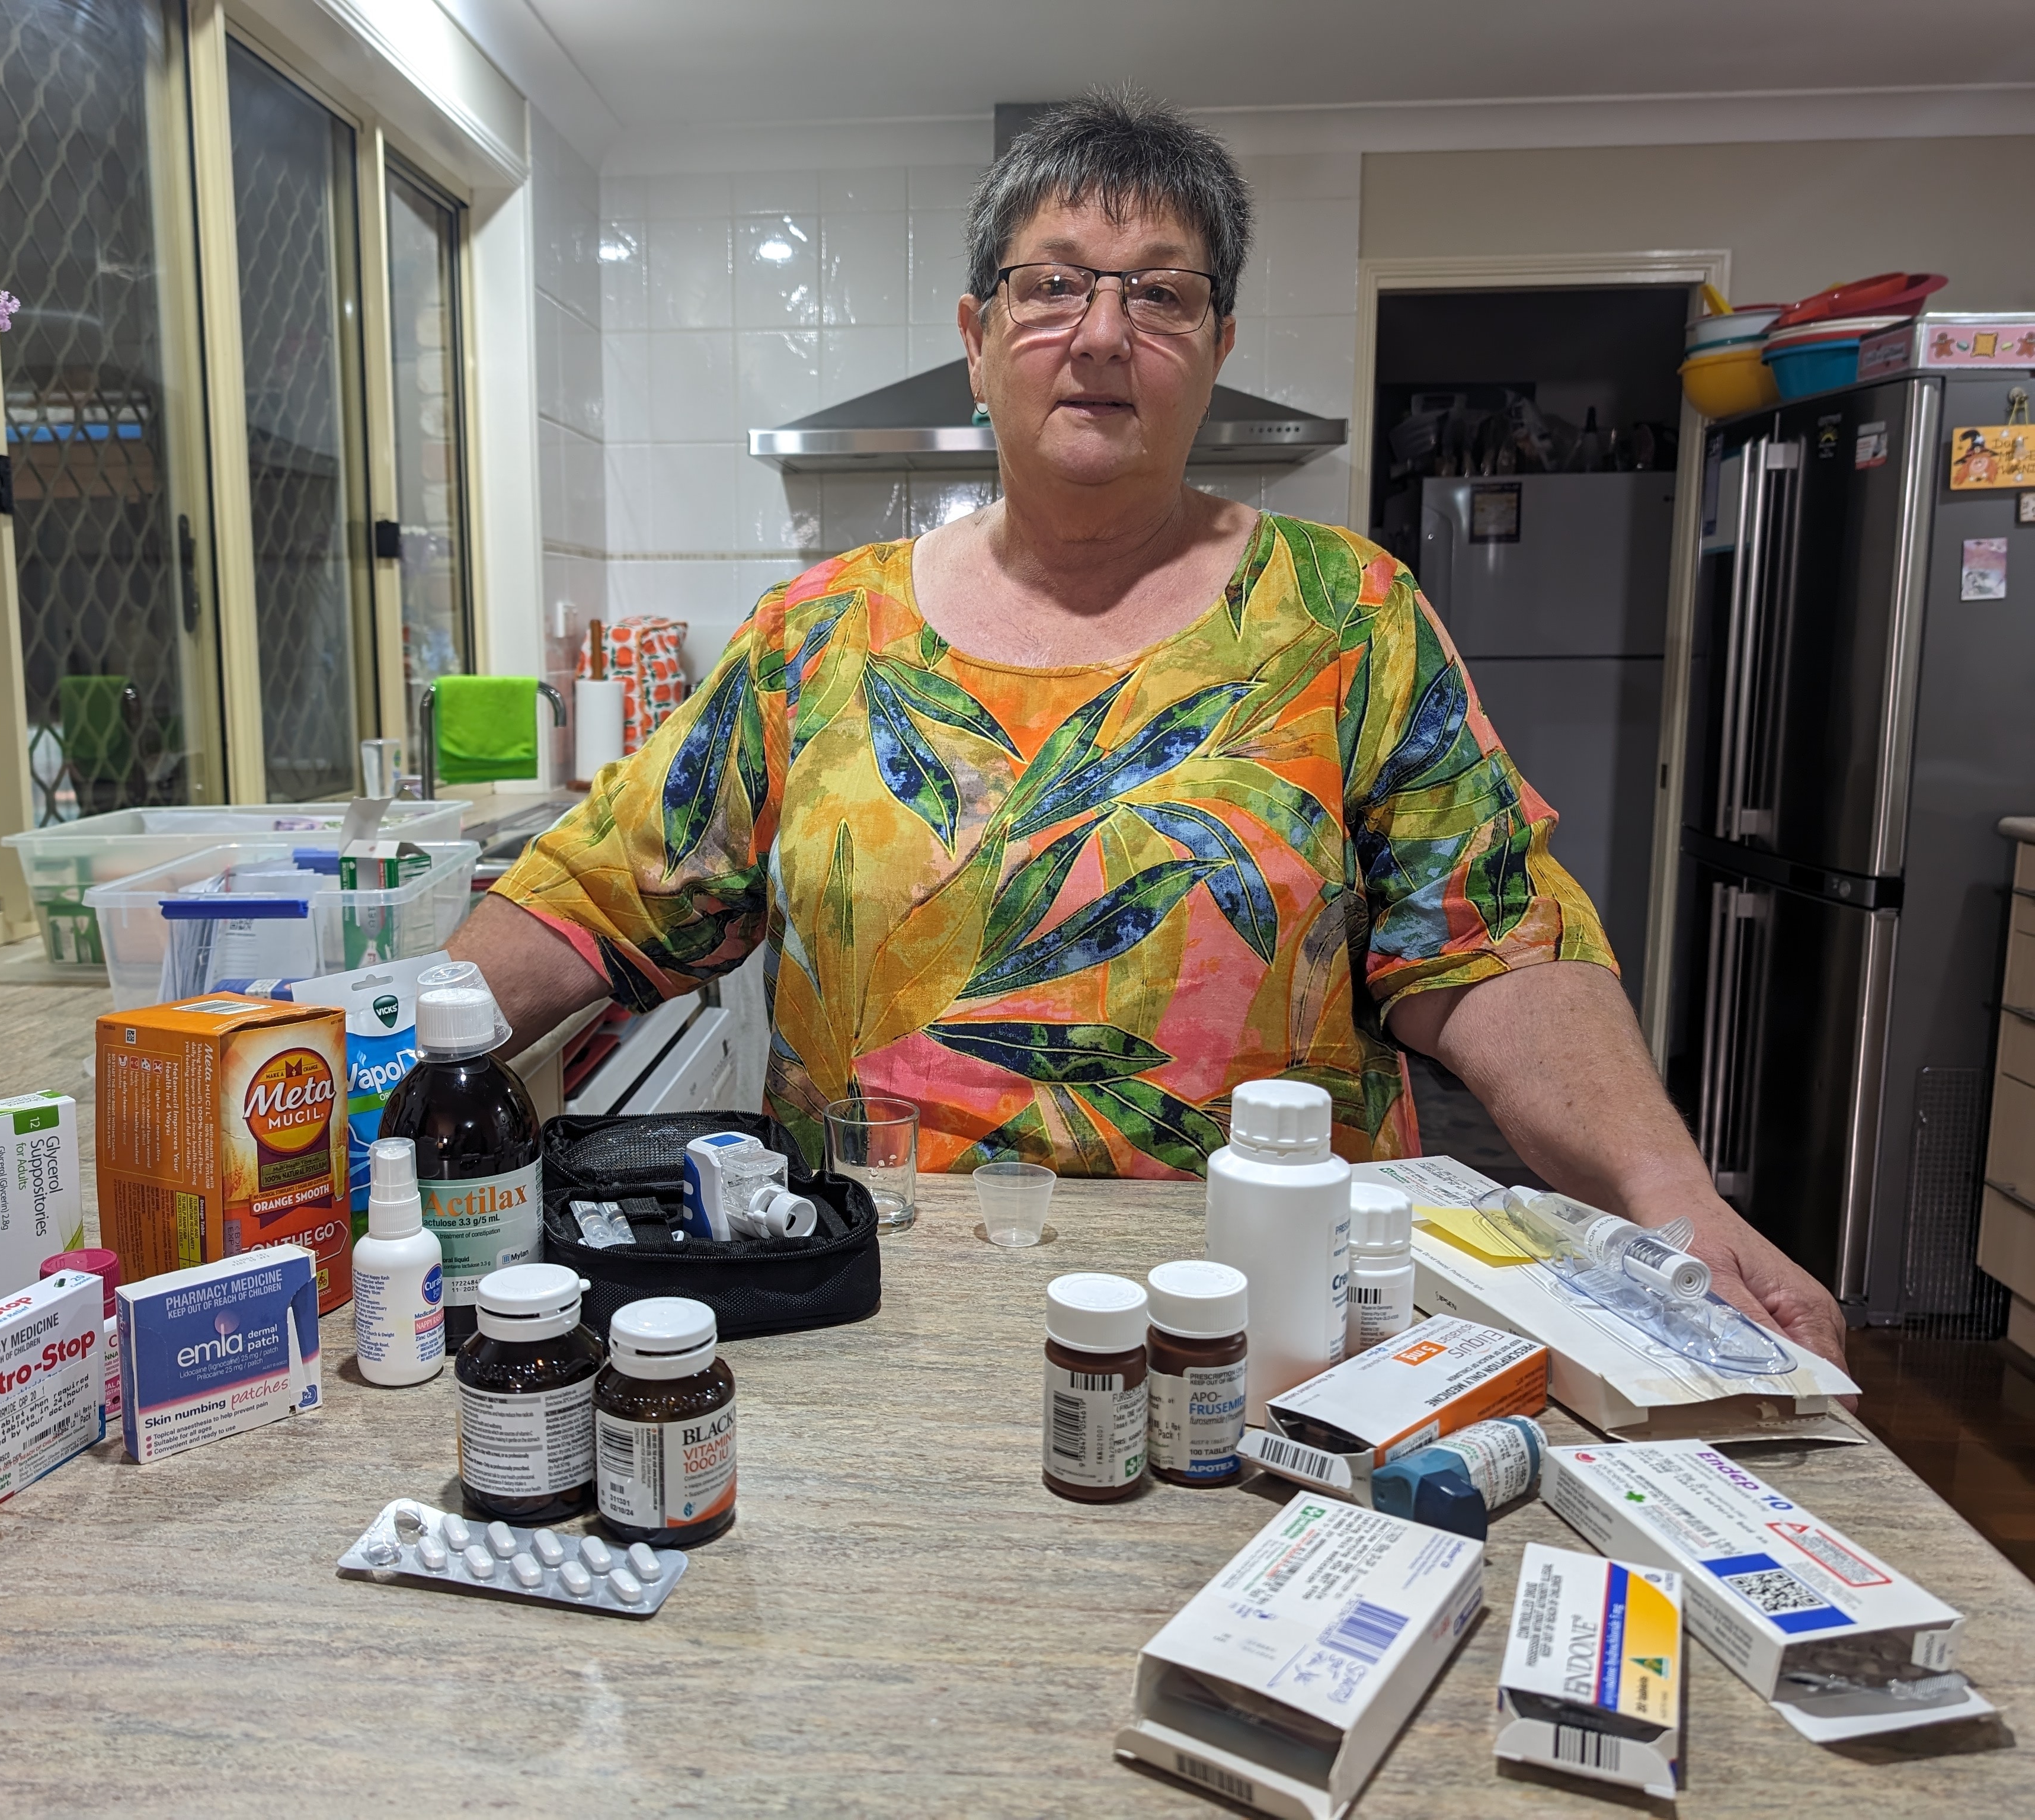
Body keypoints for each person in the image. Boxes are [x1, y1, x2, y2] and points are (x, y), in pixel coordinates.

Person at [454, 89, 1846, 1366]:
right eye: (1052, 284)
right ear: (979, 333)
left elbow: (1495, 942)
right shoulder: (815, 638)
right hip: (869, 1313)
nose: (1104, 334)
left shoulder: (1344, 615)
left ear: (1220, 346)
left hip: (1266, 1321)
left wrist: (1673, 1202)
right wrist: (349, 1067)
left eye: (1162, 294)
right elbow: (593, 899)